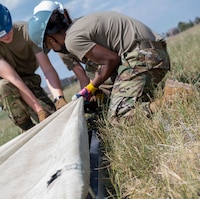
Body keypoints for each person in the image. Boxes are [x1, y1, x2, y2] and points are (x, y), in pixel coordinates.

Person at [28, 2, 170, 123]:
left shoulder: (72, 40)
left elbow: (111, 59)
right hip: (152, 53)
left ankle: (171, 100)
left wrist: (90, 88)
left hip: (144, 58)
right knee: (107, 103)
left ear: (51, 40)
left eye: (49, 46)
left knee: (117, 117)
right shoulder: (80, 25)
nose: (53, 49)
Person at [0, 4, 67, 131]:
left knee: (55, 122)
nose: (6, 36)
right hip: (7, 85)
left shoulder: (26, 32)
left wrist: (59, 98)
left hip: (28, 81)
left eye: (7, 30)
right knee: (4, 86)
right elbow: (13, 78)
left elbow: (47, 69)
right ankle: (28, 129)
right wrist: (38, 110)